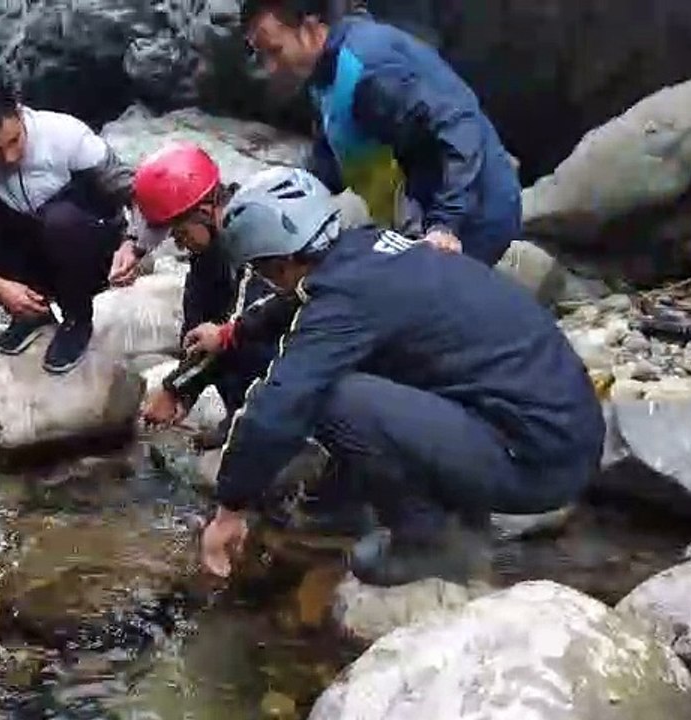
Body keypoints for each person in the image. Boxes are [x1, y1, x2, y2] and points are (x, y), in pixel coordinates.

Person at [198, 166, 605, 586]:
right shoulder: (369, 250)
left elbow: (279, 405)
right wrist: (233, 333)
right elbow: (299, 304)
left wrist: (230, 508)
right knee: (352, 367)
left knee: (331, 397)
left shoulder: (343, 298)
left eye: (263, 271)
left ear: (278, 263)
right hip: (561, 433)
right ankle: (363, 505)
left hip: (539, 463)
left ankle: (428, 543)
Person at [241, 0, 522, 267]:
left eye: (275, 51)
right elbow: (334, 152)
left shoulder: (371, 69)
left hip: (472, 213)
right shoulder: (324, 75)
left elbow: (458, 125)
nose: (269, 68)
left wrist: (446, 224)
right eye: (261, 56)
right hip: (420, 211)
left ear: (309, 26)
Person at [0, 73, 153, 374]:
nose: (9, 156)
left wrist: (133, 243)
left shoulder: (67, 135)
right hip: (31, 252)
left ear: (19, 111)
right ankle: (32, 313)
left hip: (93, 254)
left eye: (14, 140)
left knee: (60, 220)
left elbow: (140, 196)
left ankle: (76, 319)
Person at [126, 142, 280, 447]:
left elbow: (245, 322)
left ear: (205, 211)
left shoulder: (254, 232)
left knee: (240, 342)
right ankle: (240, 415)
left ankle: (259, 427)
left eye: (180, 234)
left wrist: (173, 388)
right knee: (206, 335)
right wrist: (184, 393)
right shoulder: (209, 252)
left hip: (299, 340)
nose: (180, 247)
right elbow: (196, 324)